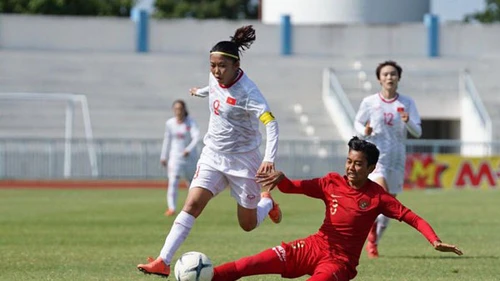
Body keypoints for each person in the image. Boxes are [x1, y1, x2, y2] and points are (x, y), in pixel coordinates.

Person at [211, 136, 463, 281]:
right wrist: (281, 179)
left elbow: (413, 218)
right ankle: (206, 277)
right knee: (248, 265)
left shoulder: (378, 197)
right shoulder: (330, 182)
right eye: (349, 161)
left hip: (339, 264)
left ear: (371, 168)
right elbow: (291, 188)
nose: (351, 168)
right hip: (313, 246)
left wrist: (434, 240)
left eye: (359, 164)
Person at [138, 25, 281, 278]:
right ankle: (163, 260)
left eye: (221, 66)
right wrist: (200, 92)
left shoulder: (249, 92)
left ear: (236, 66)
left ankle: (266, 202)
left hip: (244, 161)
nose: (216, 71)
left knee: (247, 225)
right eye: (212, 65)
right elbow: (215, 91)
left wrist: (268, 159)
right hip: (213, 155)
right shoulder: (215, 78)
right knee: (192, 204)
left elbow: (271, 122)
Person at [353, 60, 422, 258]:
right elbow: (357, 122)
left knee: (389, 205)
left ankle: (374, 240)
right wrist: (363, 131)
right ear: (379, 79)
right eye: (385, 74)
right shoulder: (370, 102)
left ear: (399, 77)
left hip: (397, 159)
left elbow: (417, 132)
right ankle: (369, 238)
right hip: (376, 158)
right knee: (381, 196)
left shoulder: (407, 103)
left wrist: (408, 122)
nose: (389, 77)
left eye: (393, 74)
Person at [160, 100, 201, 216]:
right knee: (173, 181)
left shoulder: (190, 122)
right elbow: (167, 140)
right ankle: (171, 208)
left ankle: (194, 206)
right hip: (175, 158)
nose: (178, 111)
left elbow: (196, 137)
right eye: (176, 109)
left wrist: (188, 149)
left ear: (184, 109)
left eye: (180, 108)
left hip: (189, 158)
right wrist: (164, 156)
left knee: (192, 183)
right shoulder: (170, 123)